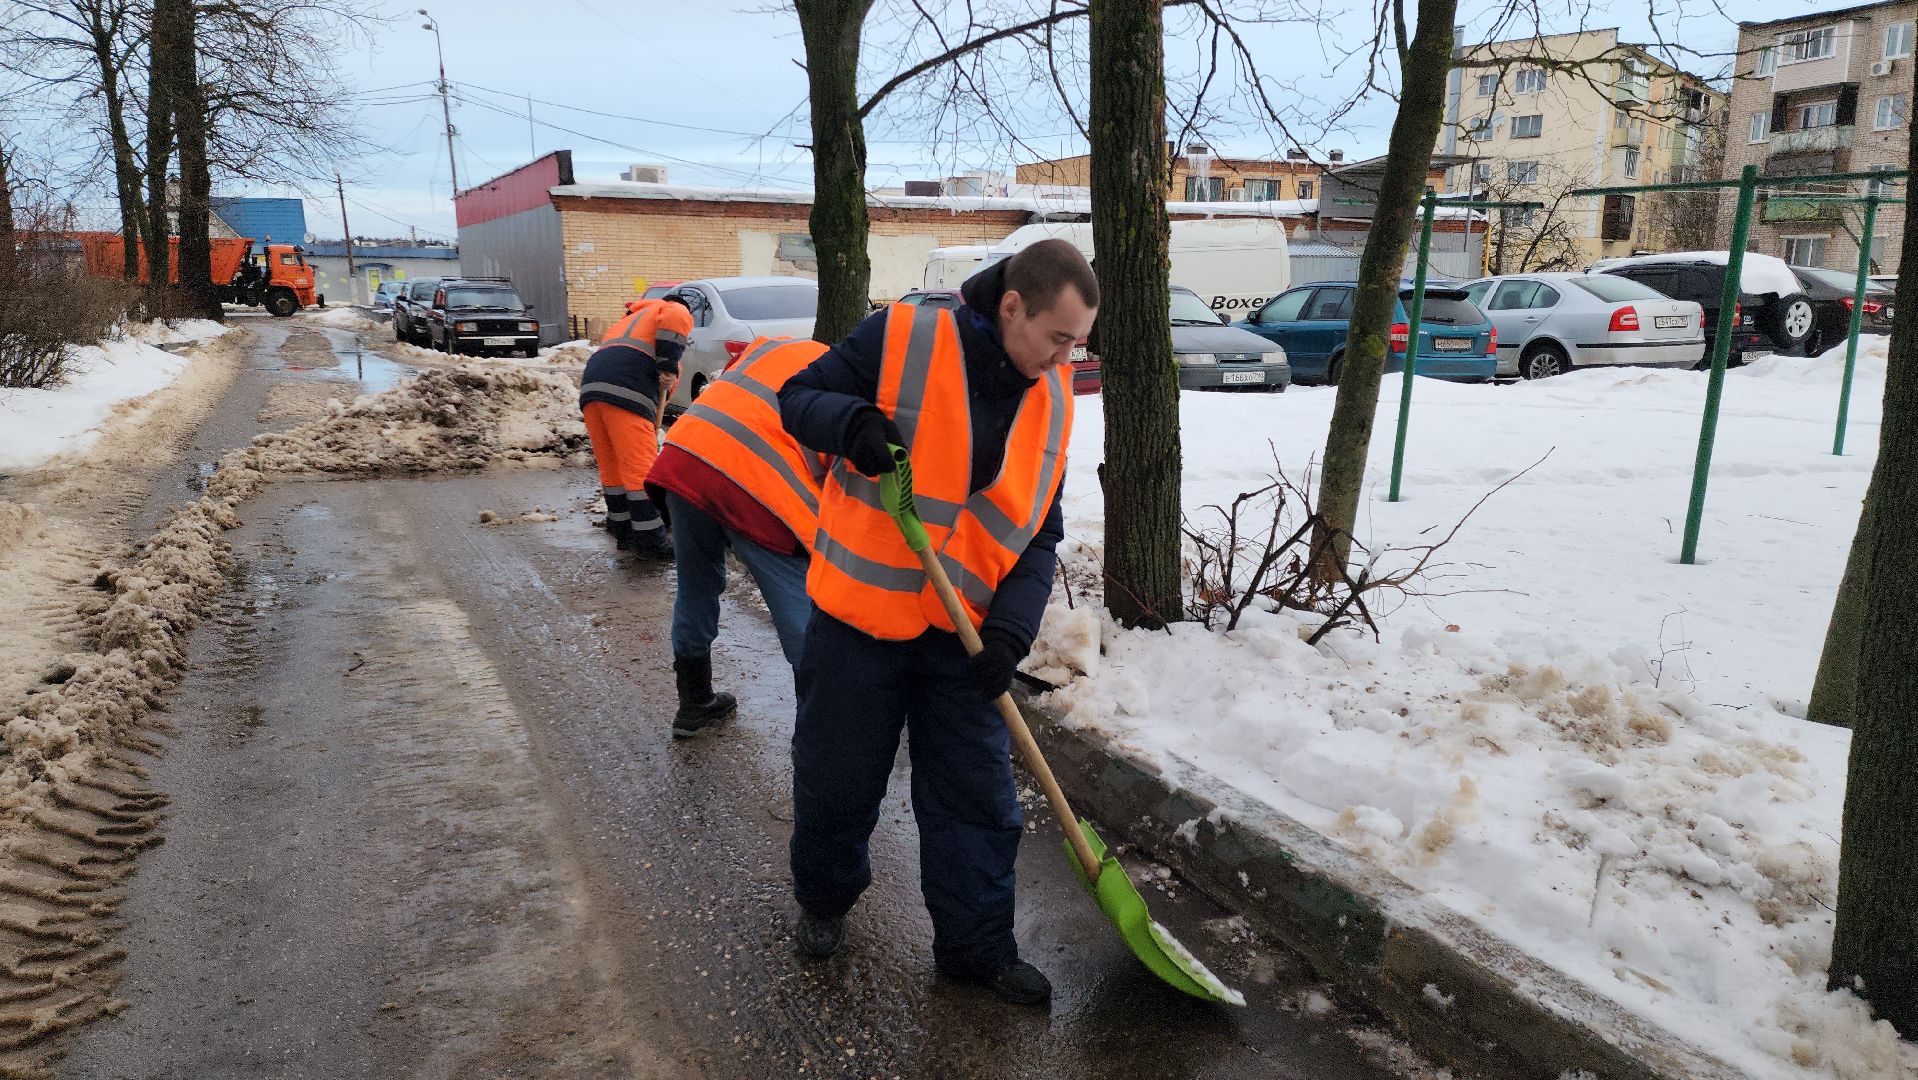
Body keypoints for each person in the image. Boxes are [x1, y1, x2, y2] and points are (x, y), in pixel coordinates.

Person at [777, 239, 1097, 1006]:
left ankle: (976, 949)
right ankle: (823, 903)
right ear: (1012, 306)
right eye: (1058, 339)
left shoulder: (1052, 395)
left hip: (966, 638)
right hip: (860, 623)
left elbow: (1037, 529)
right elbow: (798, 398)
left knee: (977, 800)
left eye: (1076, 345)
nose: (1064, 359)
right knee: (838, 780)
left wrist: (1013, 635)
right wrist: (850, 421)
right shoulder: (901, 336)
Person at [644, 335, 827, 738]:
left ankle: (695, 702)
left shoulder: (776, 346)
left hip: (685, 455)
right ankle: (820, 735)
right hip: (752, 479)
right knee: (799, 602)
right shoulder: (853, 384)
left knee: (695, 584)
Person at [579, 296, 693, 560]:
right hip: (627, 390)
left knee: (612, 468)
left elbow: (664, 395)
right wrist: (667, 365)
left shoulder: (630, 320)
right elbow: (676, 318)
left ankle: (624, 532)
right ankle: (651, 542)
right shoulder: (671, 309)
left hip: (592, 389)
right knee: (639, 469)